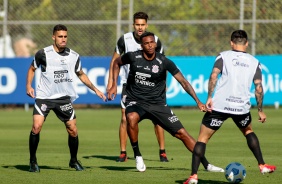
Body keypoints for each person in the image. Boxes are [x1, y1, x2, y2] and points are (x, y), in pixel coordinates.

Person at [107, 32, 224, 173]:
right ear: (141, 45)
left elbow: (183, 82)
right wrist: (113, 83)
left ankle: (206, 164)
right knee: (130, 117)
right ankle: (137, 155)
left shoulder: (164, 61)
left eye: (152, 42)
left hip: (158, 104)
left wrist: (198, 101)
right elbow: (116, 62)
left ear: (155, 44)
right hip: (136, 101)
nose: (150, 45)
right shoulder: (133, 56)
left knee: (182, 134)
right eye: (146, 43)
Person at [184, 30, 276, 184]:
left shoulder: (223, 56)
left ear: (231, 43)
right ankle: (262, 165)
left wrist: (209, 98)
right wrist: (260, 110)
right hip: (241, 107)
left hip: (220, 105)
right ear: (246, 43)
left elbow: (214, 76)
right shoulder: (255, 62)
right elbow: (258, 87)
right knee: (248, 131)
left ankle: (194, 176)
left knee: (202, 139)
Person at [26, 24, 107, 172]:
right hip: (45, 97)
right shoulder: (43, 53)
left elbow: (81, 74)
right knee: (36, 127)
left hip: (63, 98)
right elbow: (32, 68)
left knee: (73, 130)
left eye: (65, 36)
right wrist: (28, 86)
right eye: (60, 36)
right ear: (53, 37)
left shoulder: (74, 56)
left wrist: (95, 89)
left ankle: (73, 160)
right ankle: (32, 161)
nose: (63, 39)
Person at [107, 12, 168, 162]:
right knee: (125, 118)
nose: (140, 28)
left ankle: (162, 152)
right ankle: (123, 152)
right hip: (129, 86)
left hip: (152, 86)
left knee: (158, 119)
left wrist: (163, 84)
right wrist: (112, 84)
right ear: (133, 25)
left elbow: (162, 64)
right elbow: (114, 62)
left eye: (142, 25)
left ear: (146, 25)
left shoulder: (155, 41)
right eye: (137, 25)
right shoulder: (124, 40)